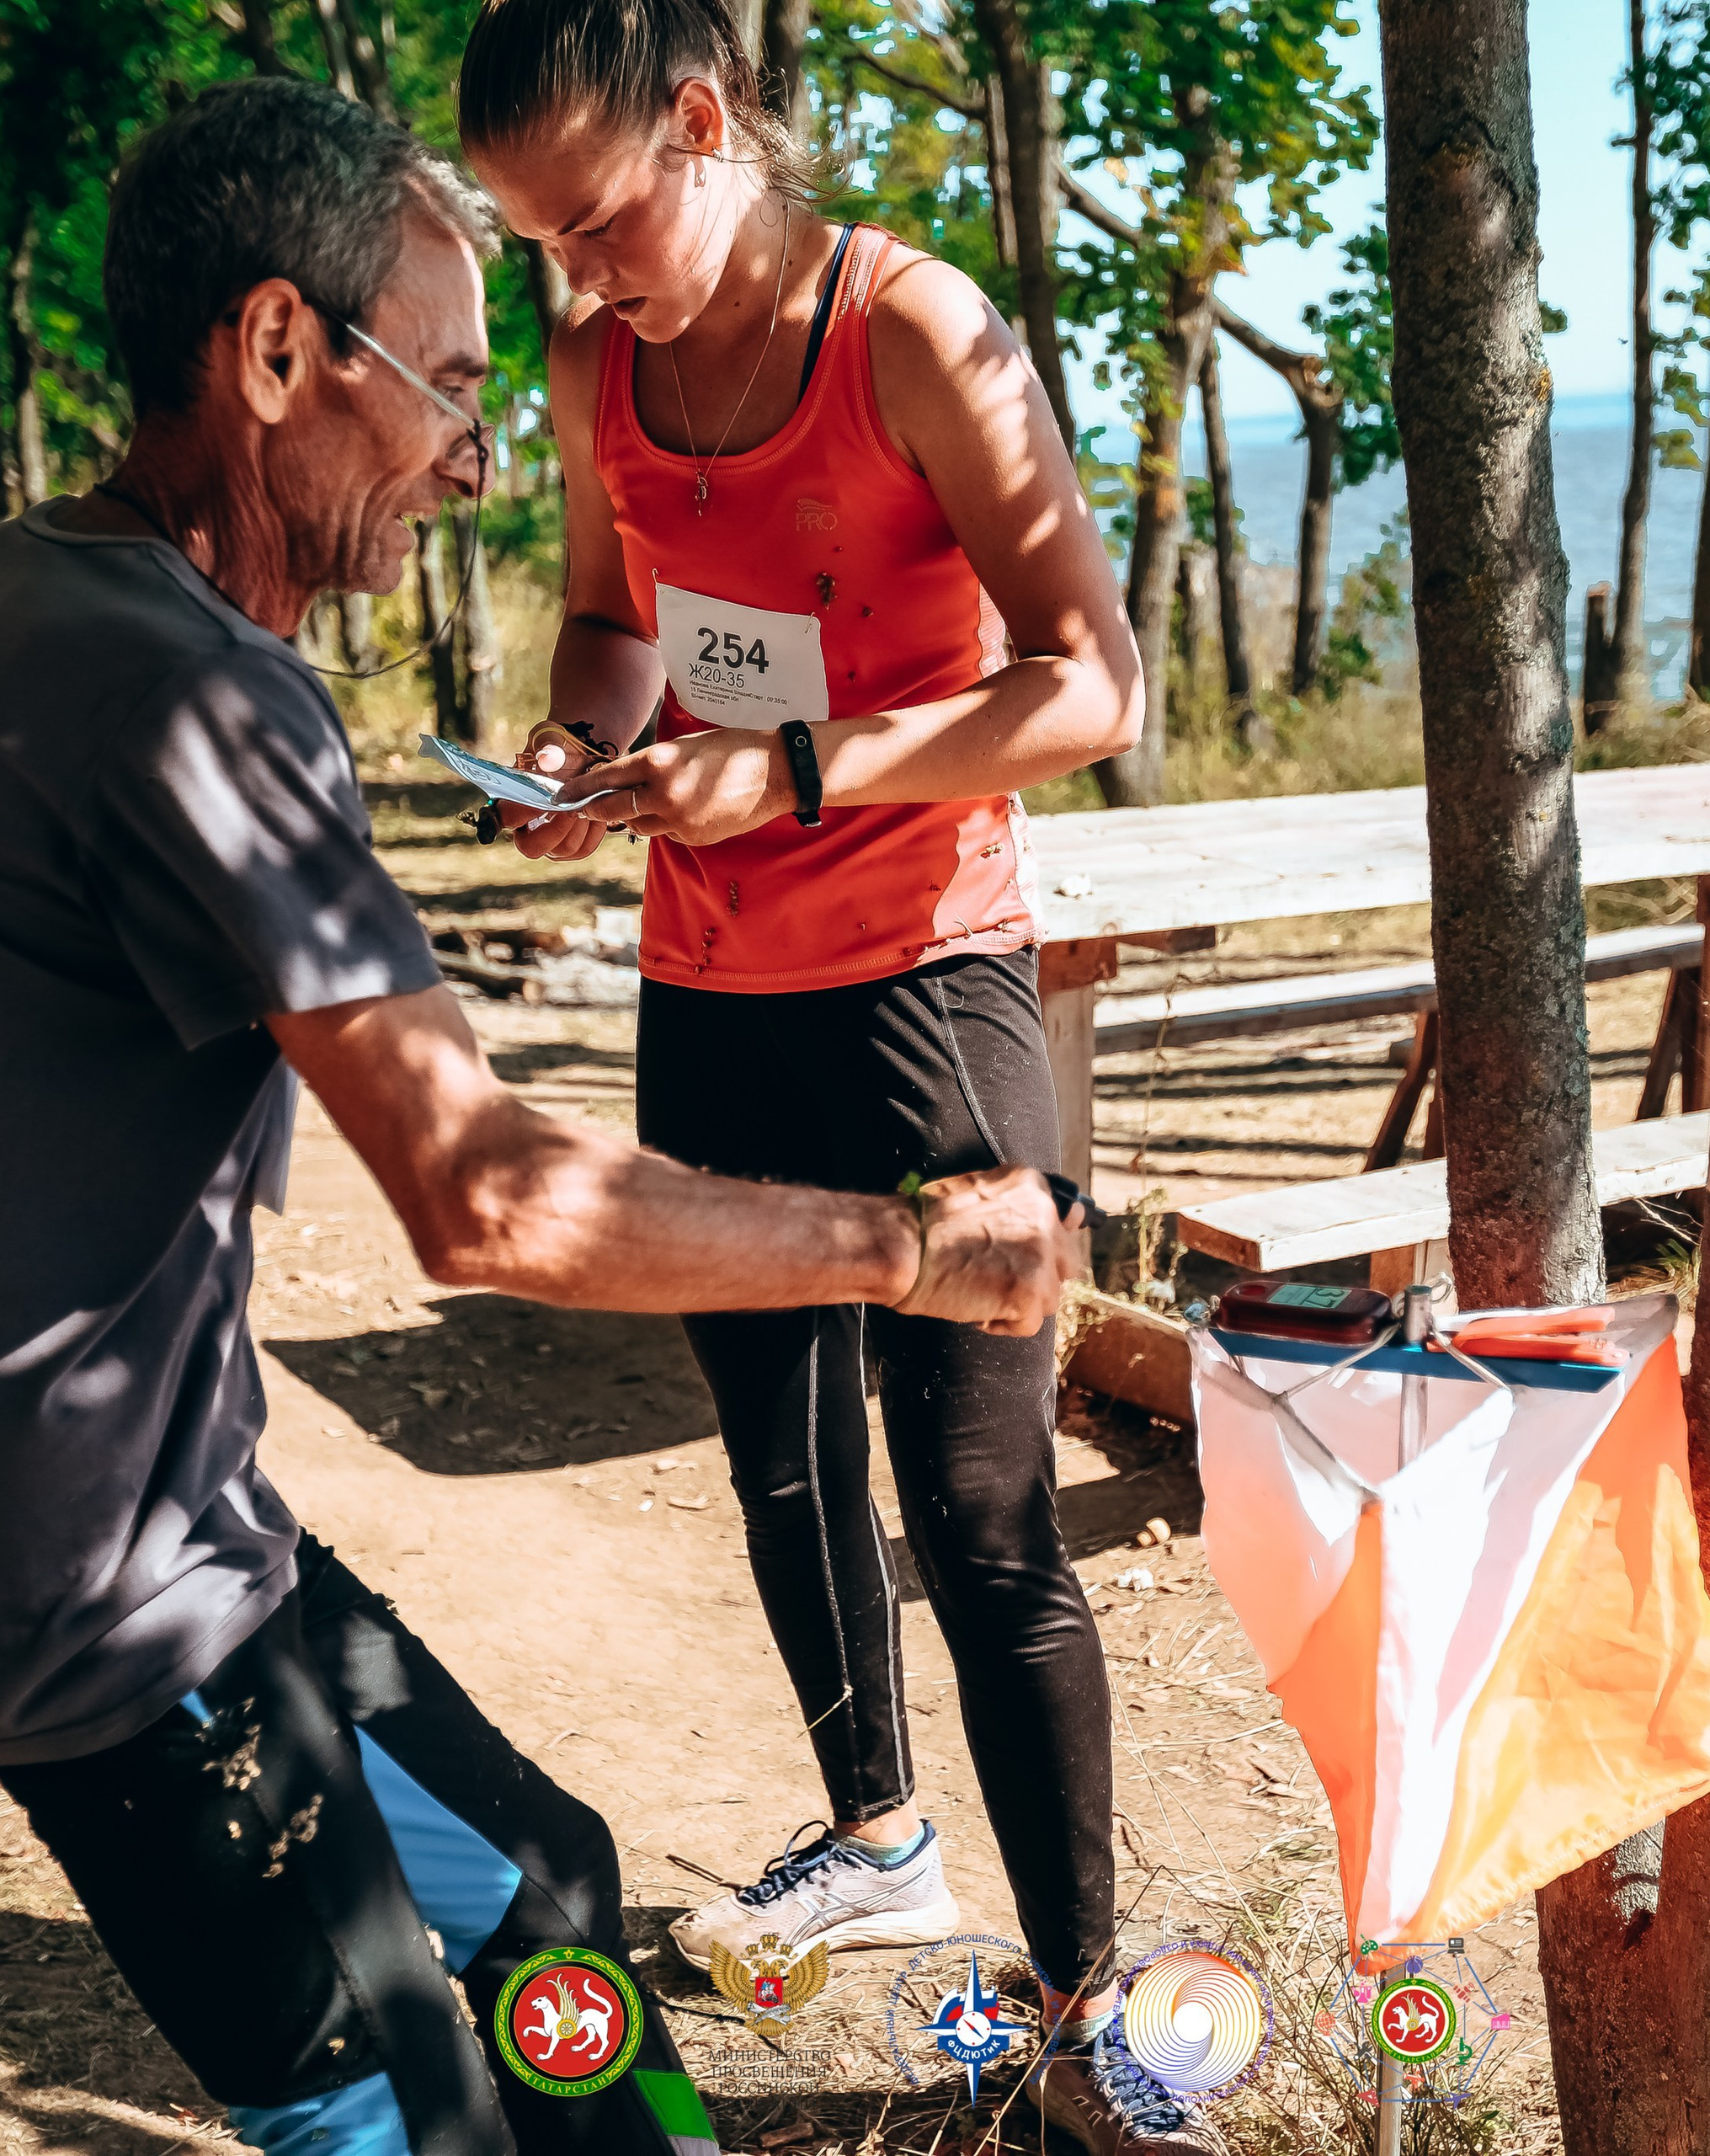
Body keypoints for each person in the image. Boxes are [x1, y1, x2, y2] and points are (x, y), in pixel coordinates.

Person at [0, 77, 1079, 2156]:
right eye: (443, 387)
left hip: (164, 1525)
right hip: (81, 1596)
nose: (473, 452)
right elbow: (486, 1202)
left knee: (547, 1875)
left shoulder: (6, 598)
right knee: (405, 2115)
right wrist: (912, 1245)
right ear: (277, 352)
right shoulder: (201, 693)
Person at [454, 7, 1219, 2151]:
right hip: (706, 975)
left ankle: (1092, 2021)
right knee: (779, 1463)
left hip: (923, 974)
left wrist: (790, 767)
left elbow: (1090, 679)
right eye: (536, 249)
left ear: (705, 127)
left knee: (980, 1510)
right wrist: (568, 747)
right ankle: (880, 1835)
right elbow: (613, 616)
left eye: (595, 224)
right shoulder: (607, 356)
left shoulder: (910, 329)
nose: (576, 286)